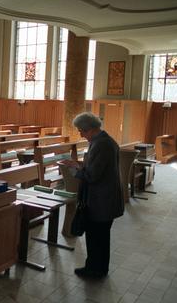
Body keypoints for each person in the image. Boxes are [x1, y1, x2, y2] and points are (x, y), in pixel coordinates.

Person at [60, 112, 124, 278]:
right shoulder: (104, 141)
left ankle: (94, 270)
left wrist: (73, 170)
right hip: (104, 197)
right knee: (100, 237)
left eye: (81, 130)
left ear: (90, 129)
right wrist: (78, 164)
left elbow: (92, 176)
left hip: (101, 200)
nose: (80, 134)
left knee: (96, 237)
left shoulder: (101, 144)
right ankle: (99, 268)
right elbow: (96, 167)